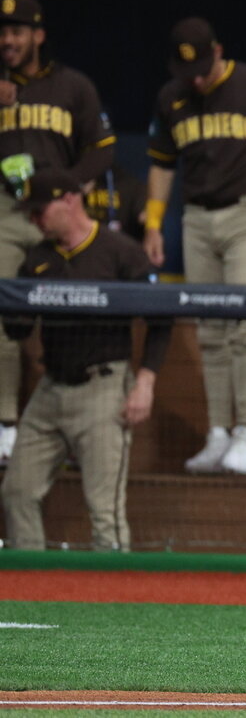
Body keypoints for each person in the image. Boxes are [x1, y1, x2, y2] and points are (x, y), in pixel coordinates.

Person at [145, 17, 246, 477]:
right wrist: (154, 224)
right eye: (187, 73)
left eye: (202, 69)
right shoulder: (171, 96)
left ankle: (245, 433)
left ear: (217, 52)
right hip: (197, 219)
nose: (196, 80)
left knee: (244, 326)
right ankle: (218, 432)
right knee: (210, 330)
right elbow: (161, 163)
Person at [1, 169, 171, 550]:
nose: (34, 220)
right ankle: (33, 583)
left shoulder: (120, 251)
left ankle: (116, 590)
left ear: (69, 200)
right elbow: (18, 330)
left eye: (40, 211)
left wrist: (145, 382)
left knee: (104, 511)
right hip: (51, 389)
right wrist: (14, 304)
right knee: (17, 492)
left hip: (103, 387)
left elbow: (162, 318)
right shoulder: (39, 258)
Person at [0, 0, 116, 465]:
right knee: (1, 313)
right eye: (2, 32)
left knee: (78, 311)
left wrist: (68, 187)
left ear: (38, 36)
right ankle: (6, 425)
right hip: (8, 211)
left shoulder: (72, 86)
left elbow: (103, 147)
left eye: (17, 31)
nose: (7, 40)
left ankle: (80, 429)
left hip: (61, 213)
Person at [85, 164, 146, 237]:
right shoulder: (76, 184)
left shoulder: (131, 185)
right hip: (81, 238)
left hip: (115, 240)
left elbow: (144, 217)